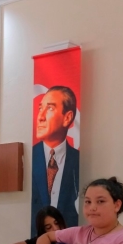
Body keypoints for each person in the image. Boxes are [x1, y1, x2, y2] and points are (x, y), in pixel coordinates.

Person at [31, 86, 80, 236]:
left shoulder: (79, 161)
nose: (40, 117)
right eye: (40, 108)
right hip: (35, 242)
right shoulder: (29, 158)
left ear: (67, 118)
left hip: (70, 243)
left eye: (50, 109)